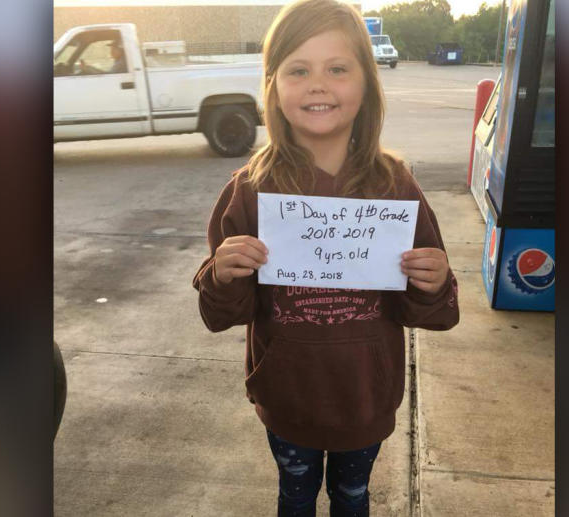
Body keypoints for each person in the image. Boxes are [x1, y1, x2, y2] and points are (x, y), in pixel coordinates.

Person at [192, 0, 459, 515]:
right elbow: (221, 313)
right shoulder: (250, 190)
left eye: (337, 68)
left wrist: (433, 283)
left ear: (366, 85)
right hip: (288, 397)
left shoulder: (395, 187)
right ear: (273, 87)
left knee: (352, 497)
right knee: (295, 496)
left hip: (365, 399)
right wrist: (222, 275)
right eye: (298, 70)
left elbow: (434, 310)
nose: (318, 84)